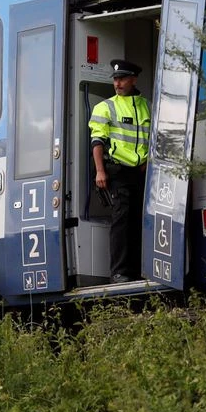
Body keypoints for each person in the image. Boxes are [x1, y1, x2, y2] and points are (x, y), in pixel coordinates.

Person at [88, 59, 150, 283]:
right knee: (122, 221)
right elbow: (97, 141)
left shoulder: (147, 105)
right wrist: (100, 172)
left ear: (133, 79)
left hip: (142, 173)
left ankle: (138, 270)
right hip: (118, 172)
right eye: (115, 79)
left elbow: (154, 138)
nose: (117, 83)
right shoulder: (105, 107)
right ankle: (120, 272)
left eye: (122, 79)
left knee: (139, 220)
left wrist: (149, 161)